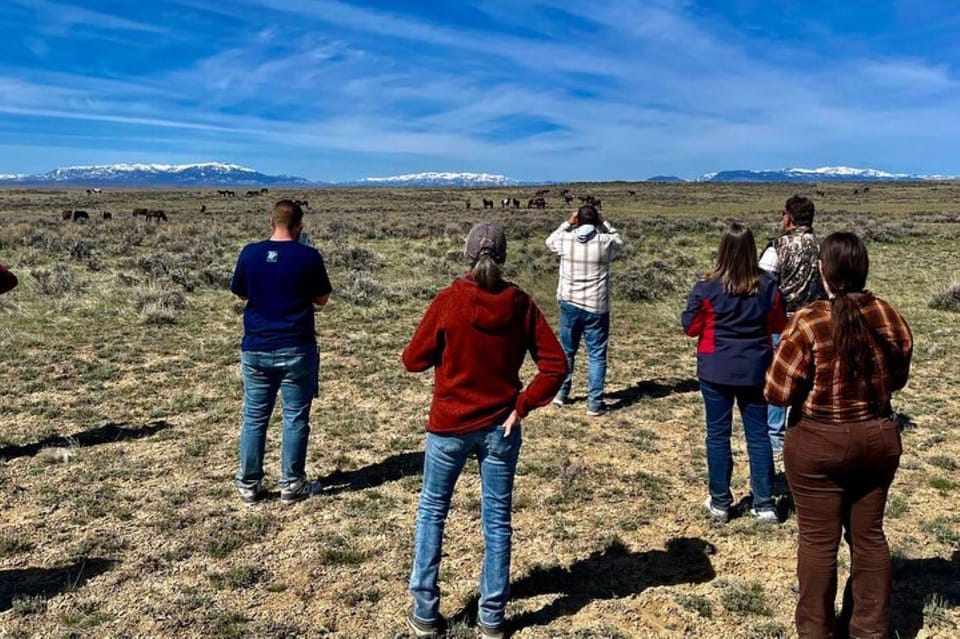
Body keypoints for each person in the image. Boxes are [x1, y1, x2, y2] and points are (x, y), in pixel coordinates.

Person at [403, 222, 567, 639]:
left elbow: (413, 359)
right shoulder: (520, 304)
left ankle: (425, 611)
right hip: (501, 428)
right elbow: (555, 366)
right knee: (496, 519)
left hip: (449, 426)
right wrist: (523, 404)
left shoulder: (448, 301)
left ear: (467, 255)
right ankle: (491, 617)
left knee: (433, 512)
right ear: (505, 257)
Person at [765, 232, 913, 639]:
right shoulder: (888, 315)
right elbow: (897, 379)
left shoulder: (809, 321)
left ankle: (816, 631)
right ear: (864, 270)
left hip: (818, 443)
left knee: (817, 542)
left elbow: (777, 391)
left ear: (823, 272)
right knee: (869, 538)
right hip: (877, 438)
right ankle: (870, 628)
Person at [681, 222, 786, 523]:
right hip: (756, 369)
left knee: (717, 435)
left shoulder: (706, 287)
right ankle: (764, 503)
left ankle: (720, 503)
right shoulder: (768, 287)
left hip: (715, 369)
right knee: (759, 435)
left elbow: (690, 327)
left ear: (722, 250)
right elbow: (779, 325)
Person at [230, 200, 332, 505]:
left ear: (271, 222)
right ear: (299, 226)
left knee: (254, 416)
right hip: (296, 346)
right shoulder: (308, 256)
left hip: (257, 345)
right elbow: (322, 299)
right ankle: (292, 483)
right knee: (295, 416)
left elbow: (241, 291)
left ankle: (249, 484)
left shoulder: (250, 253)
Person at [545, 204, 624, 416]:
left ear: (577, 220)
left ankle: (561, 394)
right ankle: (594, 403)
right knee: (596, 354)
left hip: (569, 302)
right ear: (596, 220)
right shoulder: (605, 242)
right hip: (596, 305)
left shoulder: (566, 240)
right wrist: (604, 224)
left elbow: (549, 241)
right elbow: (619, 241)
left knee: (568, 350)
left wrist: (567, 223)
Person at [761, 195, 824, 459]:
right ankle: (802, 426)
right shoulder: (822, 248)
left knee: (781, 374)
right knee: (808, 374)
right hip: (813, 321)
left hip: (782, 321)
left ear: (789, 217)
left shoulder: (778, 247)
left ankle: (775, 435)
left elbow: (763, 283)